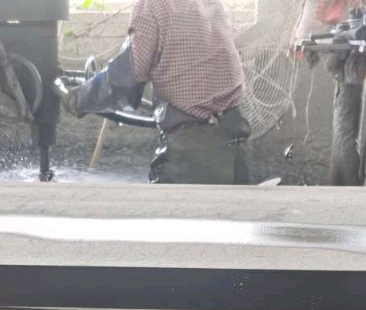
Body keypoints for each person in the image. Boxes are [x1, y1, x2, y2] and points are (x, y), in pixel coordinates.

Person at [67, 0, 250, 184]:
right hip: (237, 142)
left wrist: (79, 98)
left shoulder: (152, 5)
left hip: (192, 153)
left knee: (168, 202)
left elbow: (127, 76)